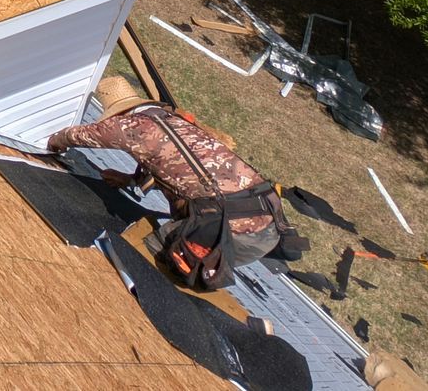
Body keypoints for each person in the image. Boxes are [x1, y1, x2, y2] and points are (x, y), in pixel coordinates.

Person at [48, 76, 306, 284]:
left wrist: (51, 142)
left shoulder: (130, 126)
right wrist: (129, 180)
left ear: (120, 114)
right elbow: (170, 161)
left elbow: (80, 135)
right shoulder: (175, 123)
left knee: (145, 256)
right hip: (270, 219)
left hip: (233, 233)